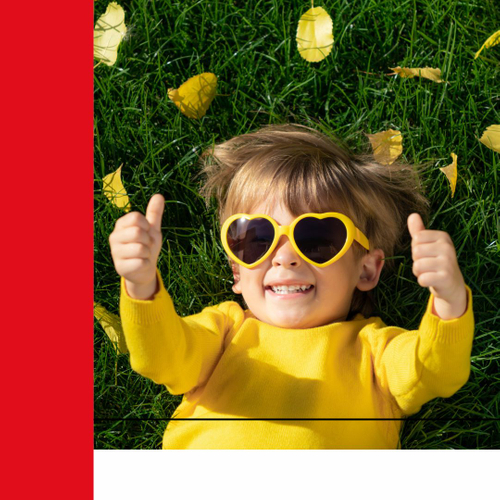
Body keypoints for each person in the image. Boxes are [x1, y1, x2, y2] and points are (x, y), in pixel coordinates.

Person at [109, 123, 474, 449]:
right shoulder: (223, 332)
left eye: (317, 238)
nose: (285, 258)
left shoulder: (375, 353)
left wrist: (449, 300)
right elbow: (162, 356)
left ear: (366, 270)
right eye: (256, 238)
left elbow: (435, 370)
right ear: (237, 271)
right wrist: (141, 286)